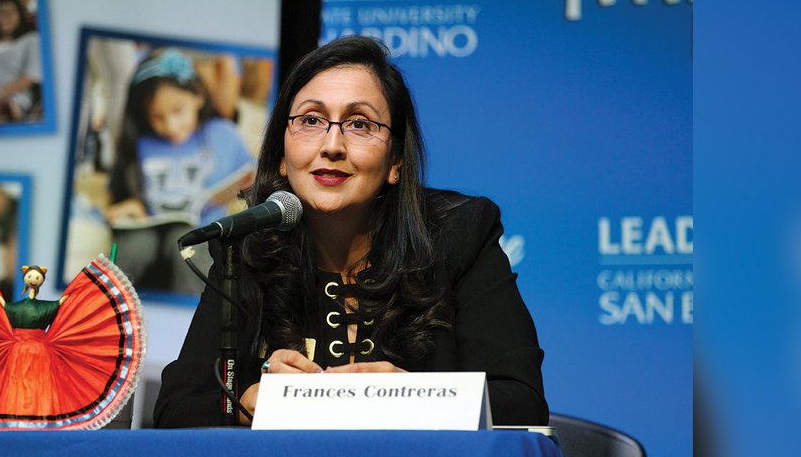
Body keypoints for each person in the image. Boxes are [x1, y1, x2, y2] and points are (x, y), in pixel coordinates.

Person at [153, 36, 548, 427]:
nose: (332, 145)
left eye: (359, 123)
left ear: (395, 159)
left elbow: (520, 403)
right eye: (310, 120)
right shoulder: (247, 248)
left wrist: (412, 397)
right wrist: (247, 403)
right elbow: (175, 409)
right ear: (281, 157)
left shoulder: (460, 234)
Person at [106, 49, 255, 294]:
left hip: (203, 237)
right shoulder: (140, 143)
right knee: (131, 249)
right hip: (147, 233)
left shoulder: (223, 135)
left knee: (190, 246)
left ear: (197, 96)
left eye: (178, 110)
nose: (171, 126)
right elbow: (118, 198)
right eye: (156, 116)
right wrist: (129, 205)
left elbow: (255, 180)